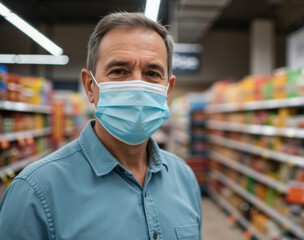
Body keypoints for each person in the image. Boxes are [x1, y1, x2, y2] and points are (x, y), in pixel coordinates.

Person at [0, 12, 202, 240]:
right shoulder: (35, 192)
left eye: (152, 73)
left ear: (168, 89)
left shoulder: (184, 178)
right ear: (89, 86)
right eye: (119, 71)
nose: (137, 85)